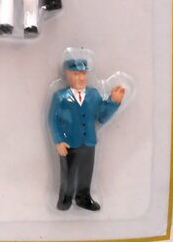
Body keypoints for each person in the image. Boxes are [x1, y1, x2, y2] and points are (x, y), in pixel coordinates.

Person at [47, 54, 126, 211]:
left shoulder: (94, 94)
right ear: (67, 74)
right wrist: (58, 140)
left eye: (83, 73)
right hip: (69, 142)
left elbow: (101, 116)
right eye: (76, 74)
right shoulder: (60, 97)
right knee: (68, 172)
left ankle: (83, 197)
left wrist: (113, 101)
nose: (81, 77)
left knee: (86, 172)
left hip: (89, 141)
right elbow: (53, 119)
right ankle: (65, 198)